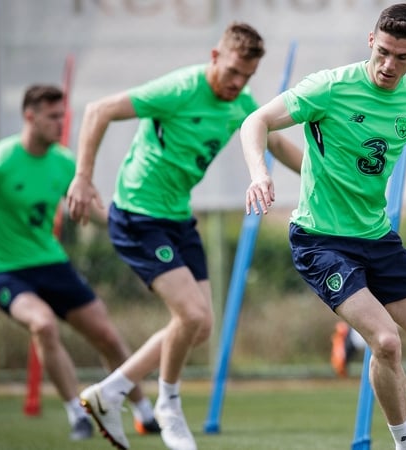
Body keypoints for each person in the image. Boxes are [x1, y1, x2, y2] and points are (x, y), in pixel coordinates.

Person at [241, 4, 406, 450]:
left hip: (377, 239)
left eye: (402, 57)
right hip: (320, 240)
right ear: (371, 40)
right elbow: (256, 121)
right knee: (385, 341)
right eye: (383, 52)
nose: (389, 65)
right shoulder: (329, 87)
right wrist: (258, 173)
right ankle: (404, 444)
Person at [66, 22, 302, 450]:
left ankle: (111, 391)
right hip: (138, 215)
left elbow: (278, 144)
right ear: (215, 57)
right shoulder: (180, 89)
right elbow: (98, 110)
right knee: (191, 317)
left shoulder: (239, 105)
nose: (237, 83)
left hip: (177, 219)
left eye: (246, 77)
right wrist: (83, 177)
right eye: (232, 72)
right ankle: (168, 406)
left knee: (200, 326)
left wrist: (323, 178)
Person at [0, 84, 159, 442]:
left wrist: (134, 227)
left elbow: (95, 211)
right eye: (53, 116)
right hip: (1, 270)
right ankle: (78, 415)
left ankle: (146, 413)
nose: (60, 123)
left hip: (51, 263)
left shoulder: (64, 162)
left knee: (107, 335)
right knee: (42, 325)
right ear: (30, 116)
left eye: (63, 115)